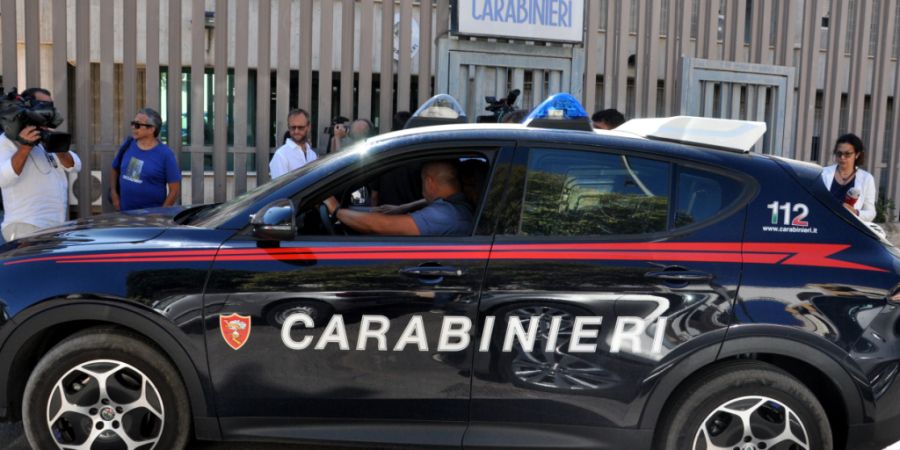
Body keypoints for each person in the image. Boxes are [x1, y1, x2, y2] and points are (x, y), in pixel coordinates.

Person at [0, 87, 81, 241]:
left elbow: (75, 166)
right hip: (25, 226)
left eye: (50, 105)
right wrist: (25, 146)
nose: (48, 111)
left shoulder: (46, 136)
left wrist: (58, 147)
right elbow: (2, 178)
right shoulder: (5, 141)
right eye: (44, 105)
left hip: (55, 226)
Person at [325, 160, 473, 236]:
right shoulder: (459, 206)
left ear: (429, 182)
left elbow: (382, 225)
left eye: (421, 181)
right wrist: (403, 208)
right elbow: (431, 204)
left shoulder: (444, 215)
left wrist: (336, 210)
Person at [110, 108, 181, 211]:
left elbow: (174, 190)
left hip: (151, 217)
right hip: (125, 214)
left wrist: (160, 214)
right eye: (133, 123)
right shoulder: (128, 144)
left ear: (151, 129)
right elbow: (114, 168)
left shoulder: (166, 155)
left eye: (137, 125)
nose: (133, 127)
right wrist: (114, 193)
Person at [821, 133, 876, 222]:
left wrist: (855, 212)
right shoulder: (823, 173)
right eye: (839, 153)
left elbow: (871, 213)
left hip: (849, 227)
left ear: (857, 154)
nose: (842, 157)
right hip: (823, 223)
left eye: (847, 154)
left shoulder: (866, 179)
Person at [270, 109, 316, 178]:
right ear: (288, 127)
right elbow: (281, 184)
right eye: (293, 127)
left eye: (300, 127)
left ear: (308, 127)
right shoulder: (281, 155)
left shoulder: (312, 154)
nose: (296, 131)